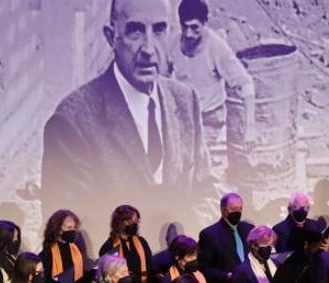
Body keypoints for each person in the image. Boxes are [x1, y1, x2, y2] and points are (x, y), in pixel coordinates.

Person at [41, 0, 215, 240]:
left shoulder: (185, 101)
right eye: (135, 31)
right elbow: (71, 236)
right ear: (112, 37)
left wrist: (181, 249)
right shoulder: (72, 122)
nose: (149, 49)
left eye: (159, 30)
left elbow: (206, 193)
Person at [168, 0, 255, 150]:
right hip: (181, 116)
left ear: (205, 22)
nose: (189, 33)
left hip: (208, 119)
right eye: (184, 27)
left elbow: (246, 84)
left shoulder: (216, 47)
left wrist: (250, 128)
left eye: (195, 27)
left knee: (192, 156)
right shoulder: (172, 44)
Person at [99, 204, 154, 283]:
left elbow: (150, 265)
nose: (135, 224)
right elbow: (108, 275)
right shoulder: (109, 247)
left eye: (137, 221)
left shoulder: (141, 242)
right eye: (131, 221)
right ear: (120, 222)